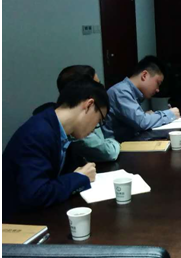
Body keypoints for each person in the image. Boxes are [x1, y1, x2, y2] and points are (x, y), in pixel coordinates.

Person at [3, 78, 106, 220]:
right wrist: (79, 177)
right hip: (17, 222)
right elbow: (36, 194)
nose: (95, 128)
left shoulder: (58, 128)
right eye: (99, 120)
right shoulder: (38, 132)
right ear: (89, 105)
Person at [33, 65, 120, 162]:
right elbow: (108, 152)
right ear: (89, 103)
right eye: (96, 86)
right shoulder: (41, 134)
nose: (101, 90)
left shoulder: (58, 127)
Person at [102, 56, 180, 142]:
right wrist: (170, 113)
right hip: (117, 146)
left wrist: (146, 116)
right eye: (158, 83)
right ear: (144, 75)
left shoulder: (129, 91)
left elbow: (139, 120)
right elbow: (142, 122)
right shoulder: (121, 92)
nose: (158, 89)